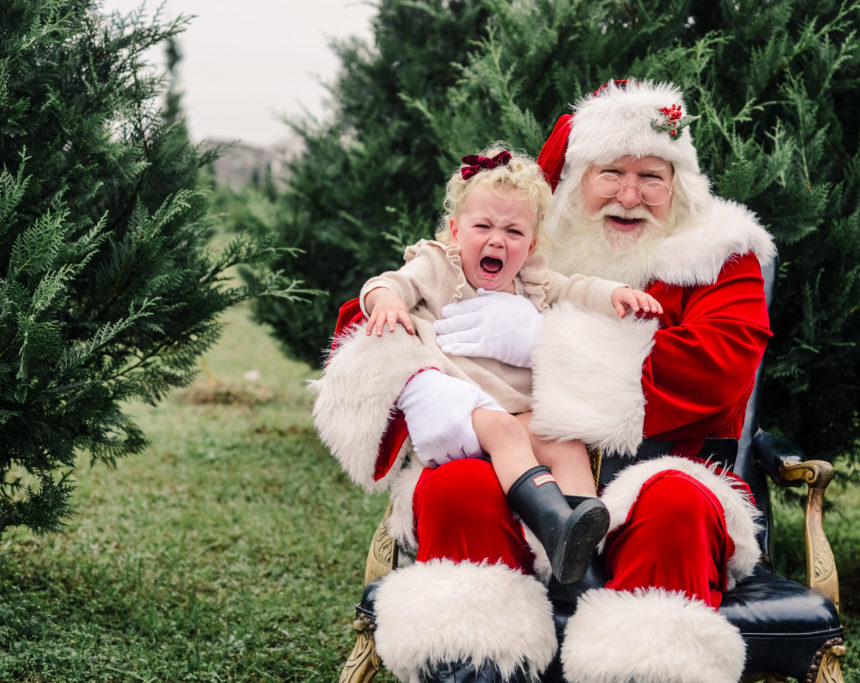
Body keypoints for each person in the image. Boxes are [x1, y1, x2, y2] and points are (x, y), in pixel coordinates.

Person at [313, 78, 775, 683]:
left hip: (656, 467)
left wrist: (543, 344)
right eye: (611, 172)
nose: (629, 195)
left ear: (678, 186)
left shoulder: (718, 255)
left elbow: (718, 366)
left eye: (652, 177)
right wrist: (422, 381)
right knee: (457, 487)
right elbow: (380, 313)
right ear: (579, 177)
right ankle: (472, 667)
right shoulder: (521, 239)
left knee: (675, 503)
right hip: (512, 465)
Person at [359, 148, 663, 584]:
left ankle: (578, 557)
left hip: (517, 412)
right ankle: (554, 524)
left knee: (564, 442)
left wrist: (613, 294)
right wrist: (386, 301)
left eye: (513, 231)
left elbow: (574, 288)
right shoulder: (437, 266)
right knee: (503, 432)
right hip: (465, 408)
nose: (497, 240)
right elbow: (386, 283)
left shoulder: (530, 279)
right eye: (483, 226)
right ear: (455, 231)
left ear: (531, 244)